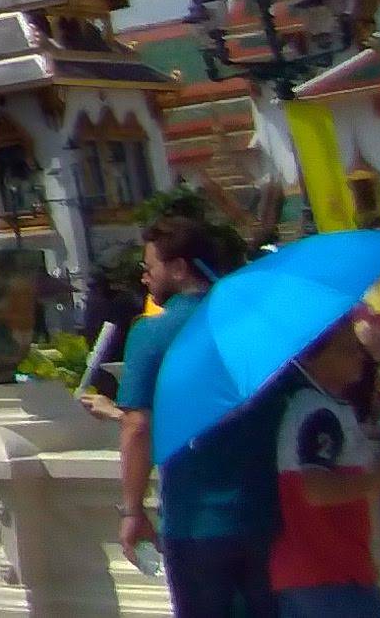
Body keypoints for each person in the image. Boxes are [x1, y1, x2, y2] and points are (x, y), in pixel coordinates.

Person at [118, 217, 283, 618]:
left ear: (178, 269)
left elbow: (137, 426)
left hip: (196, 521)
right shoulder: (255, 325)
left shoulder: (151, 334)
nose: (145, 278)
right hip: (266, 514)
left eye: (150, 267)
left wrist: (133, 511)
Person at [270, 317, 380, 618]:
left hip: (336, 574)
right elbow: (315, 489)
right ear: (312, 359)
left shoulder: (326, 409)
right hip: (325, 577)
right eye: (346, 350)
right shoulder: (318, 413)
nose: (359, 356)